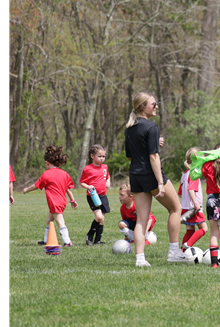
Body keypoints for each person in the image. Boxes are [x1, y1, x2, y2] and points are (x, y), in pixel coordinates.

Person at [123, 92, 186, 267]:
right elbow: (153, 157)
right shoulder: (151, 127)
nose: (156, 106)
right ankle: (173, 252)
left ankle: (140, 259)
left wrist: (152, 143)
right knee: (176, 209)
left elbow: (130, 156)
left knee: (142, 220)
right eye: (153, 103)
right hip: (151, 176)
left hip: (135, 176)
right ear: (143, 106)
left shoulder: (129, 128)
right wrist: (160, 182)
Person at [22, 145, 78, 246]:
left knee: (60, 222)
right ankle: (46, 240)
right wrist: (73, 201)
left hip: (54, 202)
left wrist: (26, 190)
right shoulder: (64, 173)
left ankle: (67, 242)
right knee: (49, 220)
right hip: (62, 201)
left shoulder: (46, 174)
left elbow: (36, 185)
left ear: (47, 163)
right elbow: (68, 189)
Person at [79, 144, 111, 245]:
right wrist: (88, 187)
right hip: (93, 196)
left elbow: (107, 176)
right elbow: (82, 182)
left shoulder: (105, 167)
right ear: (92, 156)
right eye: (100, 156)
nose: (102, 158)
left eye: (103, 156)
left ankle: (97, 241)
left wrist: (108, 181)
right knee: (99, 217)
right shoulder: (87, 169)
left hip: (103, 196)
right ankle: (89, 235)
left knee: (102, 220)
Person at [179, 147, 208, 250]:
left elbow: (180, 193)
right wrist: (196, 204)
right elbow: (191, 189)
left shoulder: (185, 174)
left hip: (186, 207)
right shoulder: (194, 173)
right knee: (204, 229)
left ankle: (182, 252)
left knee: (190, 230)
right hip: (194, 208)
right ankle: (188, 245)